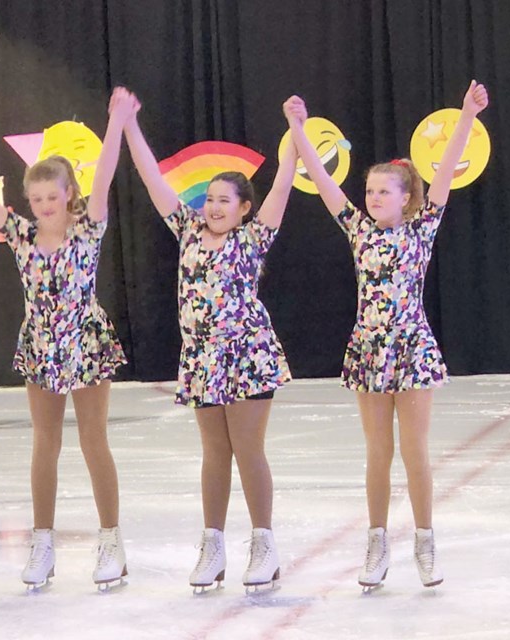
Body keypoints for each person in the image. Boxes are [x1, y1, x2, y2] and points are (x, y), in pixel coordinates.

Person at [284, 81, 489, 588]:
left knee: (415, 450)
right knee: (378, 453)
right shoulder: (357, 229)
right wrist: (298, 130)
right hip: (369, 349)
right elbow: (324, 181)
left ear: (405, 197)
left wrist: (465, 115)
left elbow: (445, 170)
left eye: (383, 191)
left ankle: (425, 540)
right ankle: (376, 544)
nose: (373, 197)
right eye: (370, 191)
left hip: (413, 348)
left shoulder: (422, 228)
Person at [0, 94, 129, 590]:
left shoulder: (89, 229)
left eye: (54, 197)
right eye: (38, 199)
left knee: (94, 440)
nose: (46, 206)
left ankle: (111, 538)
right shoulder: (22, 235)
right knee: (45, 443)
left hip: (85, 341)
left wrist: (115, 122)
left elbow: (108, 171)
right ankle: (42, 541)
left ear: (70, 193)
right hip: (42, 343)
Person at [117, 88, 297, 593]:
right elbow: (152, 178)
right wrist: (129, 124)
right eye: (210, 199)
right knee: (214, 453)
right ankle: (213, 544)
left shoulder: (253, 238)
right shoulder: (189, 232)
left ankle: (264, 543)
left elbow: (282, 185)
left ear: (243, 209)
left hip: (248, 353)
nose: (214, 206)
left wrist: (295, 132)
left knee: (247, 449)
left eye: (225, 200)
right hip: (200, 357)